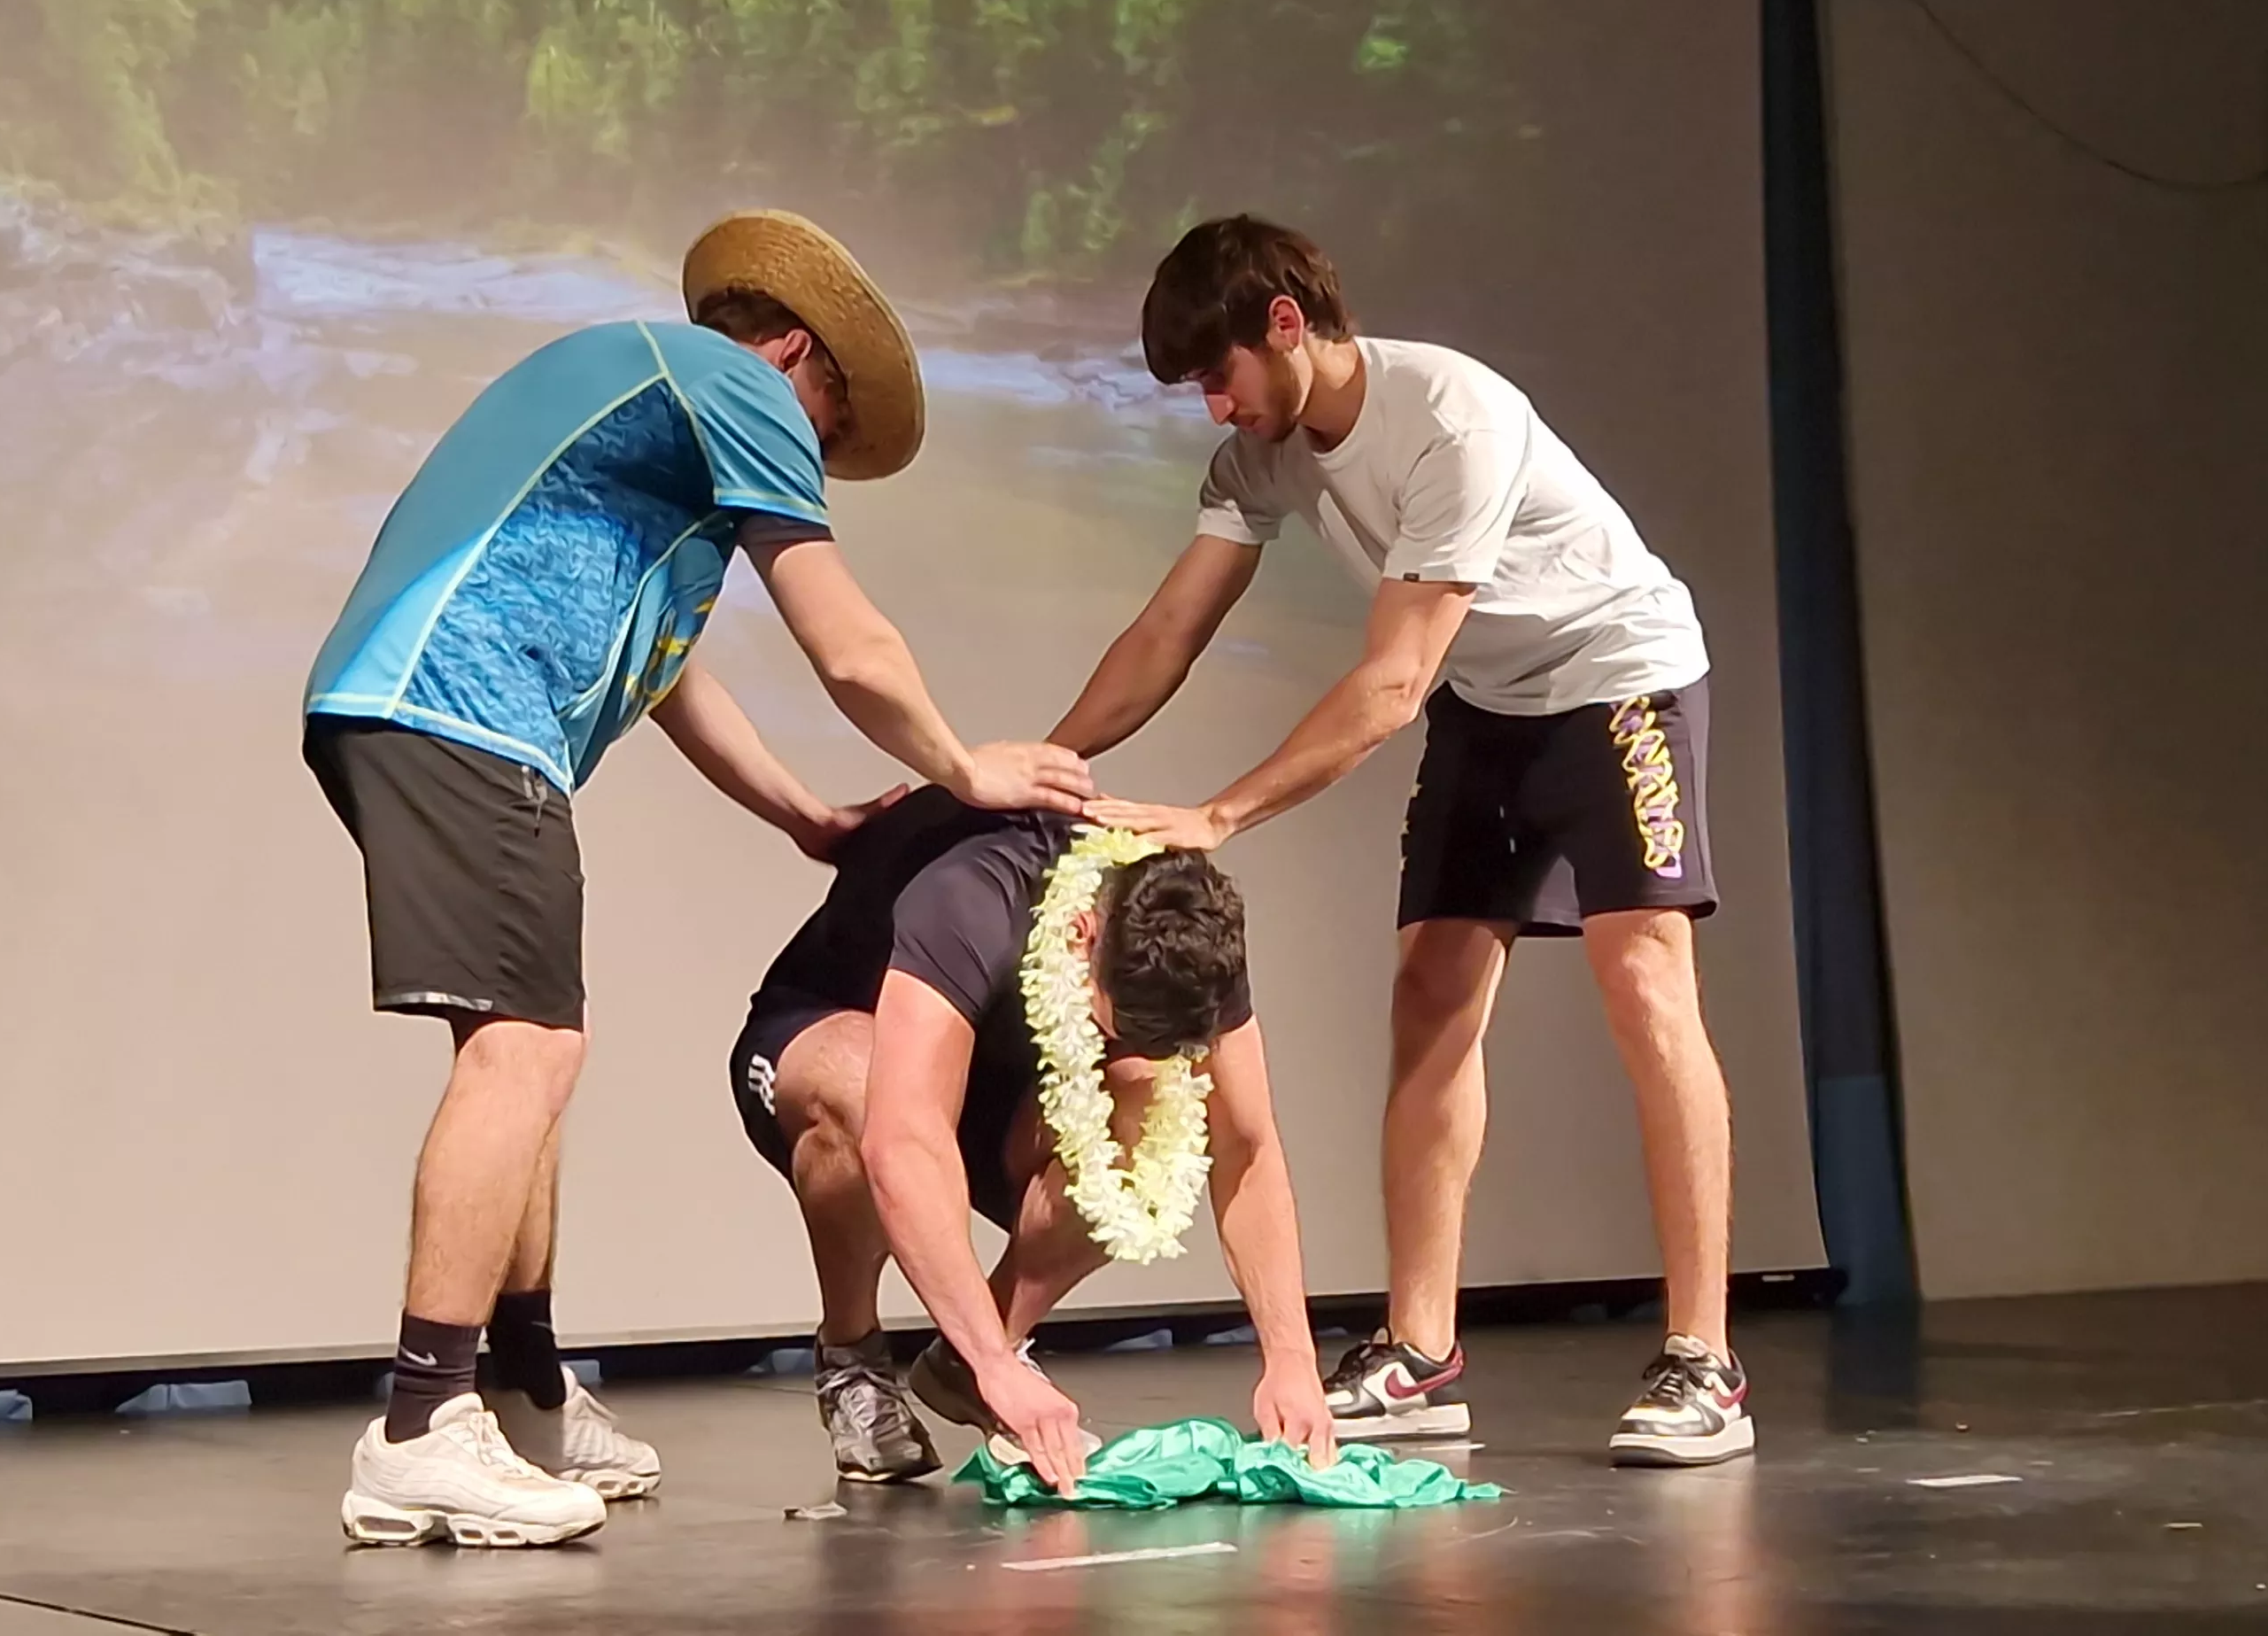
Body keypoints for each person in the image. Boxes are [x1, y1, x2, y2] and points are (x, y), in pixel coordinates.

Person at [307, 213, 1095, 1547]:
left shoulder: (649, 442)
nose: (819, 459)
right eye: (829, 427)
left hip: (439, 715)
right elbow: (845, 636)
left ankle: (527, 1391)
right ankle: (418, 1426)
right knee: (530, 1052)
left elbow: (667, 672)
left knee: (530, 1049)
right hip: (460, 708)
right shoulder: (726, 383)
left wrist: (803, 814)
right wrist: (969, 766)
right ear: (794, 351)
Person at [1057, 215, 1752, 1469]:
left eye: (1219, 374)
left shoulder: (1451, 418)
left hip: (1620, 681)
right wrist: (1052, 770)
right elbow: (1171, 629)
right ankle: (1420, 1351)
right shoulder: (1260, 455)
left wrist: (1218, 815)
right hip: (1491, 706)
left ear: (1285, 323)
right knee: (1432, 991)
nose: (1215, 407)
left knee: (1643, 979)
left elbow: (1387, 687)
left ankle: (1705, 1357)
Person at [727, 787, 1336, 1495]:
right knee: (861, 1084)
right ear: (1081, 935)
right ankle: (855, 1355)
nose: (1125, 1044)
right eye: (1117, 1023)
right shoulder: (973, 898)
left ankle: (971, 1364)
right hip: (829, 1044)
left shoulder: (1190, 931)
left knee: (1149, 1110)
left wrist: (1292, 1358)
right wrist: (998, 1366)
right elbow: (904, 1144)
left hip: (998, 1093)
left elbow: (1247, 1148)